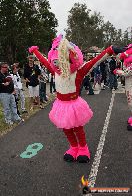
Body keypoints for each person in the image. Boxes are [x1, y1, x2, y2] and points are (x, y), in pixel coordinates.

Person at [29, 34, 128, 163]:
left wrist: (110, 50)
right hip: (60, 105)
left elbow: (95, 61)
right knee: (66, 128)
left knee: (77, 128)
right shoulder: (54, 72)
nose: (59, 63)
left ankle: (83, 148)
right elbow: (44, 61)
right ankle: (73, 146)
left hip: (73, 104)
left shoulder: (79, 71)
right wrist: (35, 51)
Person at [114, 44, 132, 130]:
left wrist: (118, 71)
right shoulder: (128, 63)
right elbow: (126, 70)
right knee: (130, 102)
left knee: (131, 103)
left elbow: (127, 73)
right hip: (129, 85)